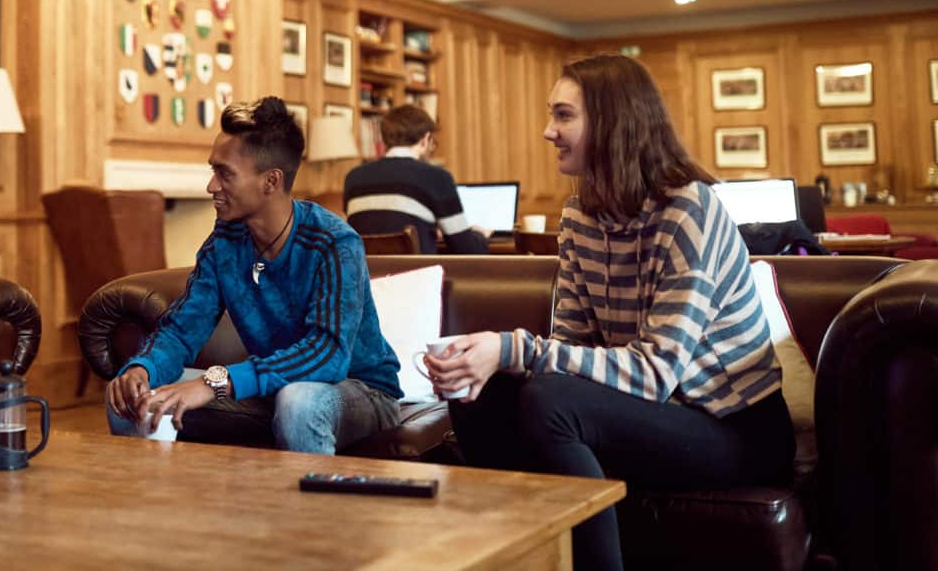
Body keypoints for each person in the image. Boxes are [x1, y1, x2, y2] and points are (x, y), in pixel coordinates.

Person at [424, 55, 794, 571]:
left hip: (732, 427)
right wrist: (479, 360)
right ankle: (523, 556)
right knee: (478, 392)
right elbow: (570, 347)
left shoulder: (689, 210)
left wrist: (511, 347)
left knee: (550, 399)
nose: (547, 130)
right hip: (647, 413)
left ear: (613, 121)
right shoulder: (579, 216)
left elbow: (657, 372)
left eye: (563, 115)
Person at [107, 96, 402, 453]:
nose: (211, 186)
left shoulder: (334, 242)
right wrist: (143, 370)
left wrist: (216, 381)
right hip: (273, 389)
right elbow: (183, 329)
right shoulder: (225, 242)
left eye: (224, 173)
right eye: (212, 170)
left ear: (271, 181)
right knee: (131, 398)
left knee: (299, 402)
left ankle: (310, 510)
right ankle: (162, 507)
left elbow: (327, 355)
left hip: (360, 391)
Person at [343, 104, 488, 254]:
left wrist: (428, 230)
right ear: (425, 139)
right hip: (417, 276)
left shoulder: (353, 178)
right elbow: (465, 249)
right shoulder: (437, 177)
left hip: (365, 276)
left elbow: (380, 222)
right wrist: (480, 236)